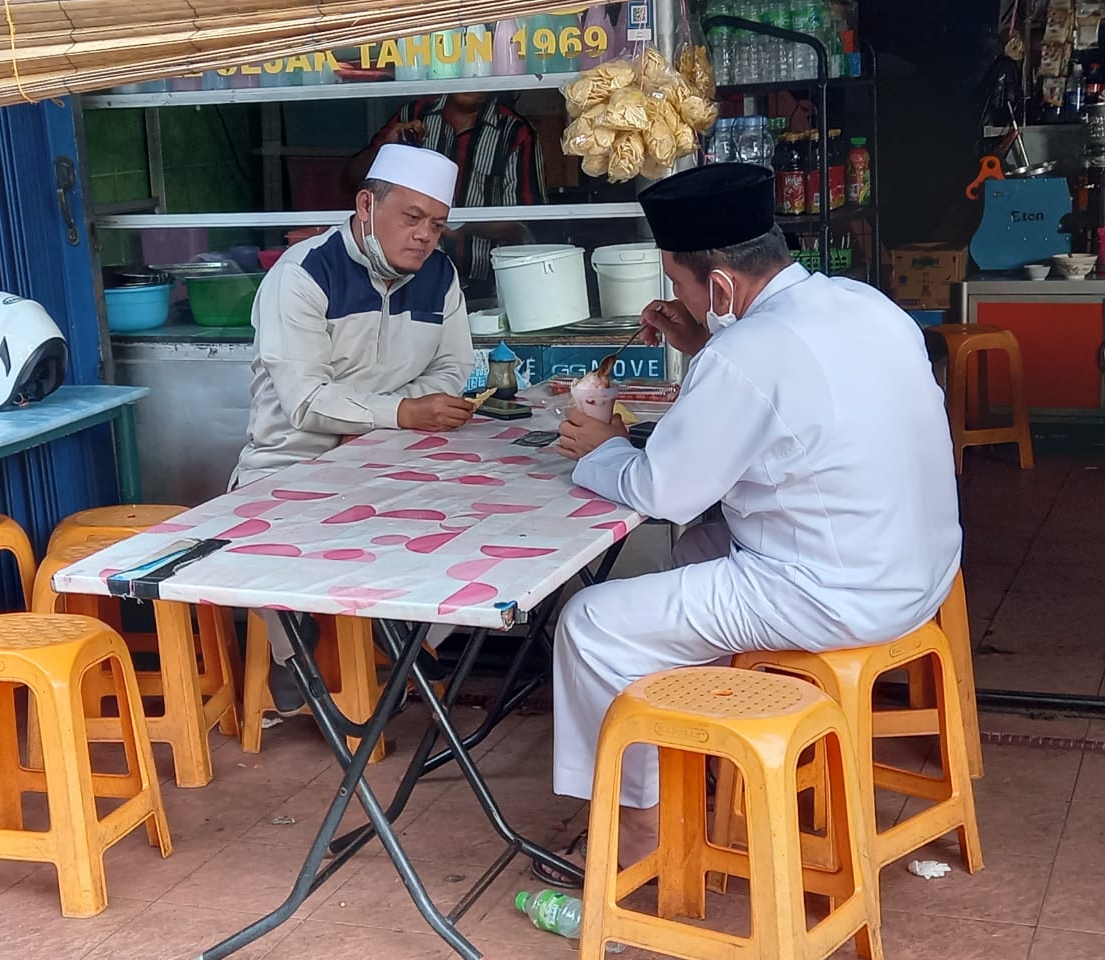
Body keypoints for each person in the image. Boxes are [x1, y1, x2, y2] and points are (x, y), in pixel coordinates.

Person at [535, 162, 962, 885]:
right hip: (922, 573)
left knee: (591, 621)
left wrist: (600, 450)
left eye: (680, 284)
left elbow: (663, 490)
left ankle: (636, 827)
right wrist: (702, 349)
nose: (678, 298)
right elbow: (798, 402)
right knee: (695, 554)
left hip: (832, 592)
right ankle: (691, 747)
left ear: (723, 286)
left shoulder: (745, 355)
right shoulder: (863, 304)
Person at [231, 143, 476, 712]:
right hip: (292, 460)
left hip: (398, 454)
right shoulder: (303, 275)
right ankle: (294, 650)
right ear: (366, 206)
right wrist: (400, 413)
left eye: (436, 225)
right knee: (267, 550)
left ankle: (401, 644)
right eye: (411, 218)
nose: (424, 236)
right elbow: (306, 401)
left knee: (472, 533)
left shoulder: (440, 276)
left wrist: (386, 422)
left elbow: (452, 369)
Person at [344, 93, 546, 297]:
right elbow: (353, 179)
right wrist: (386, 147)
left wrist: (461, 227)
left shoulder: (514, 132)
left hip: (486, 285)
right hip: (404, 282)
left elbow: (526, 219)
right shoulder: (414, 115)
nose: (472, 79)